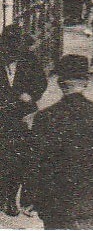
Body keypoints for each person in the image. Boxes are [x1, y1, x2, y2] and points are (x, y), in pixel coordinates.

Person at [24, 54, 93, 230]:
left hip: (54, 202)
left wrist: (29, 198)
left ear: (60, 83)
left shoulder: (45, 117)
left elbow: (34, 162)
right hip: (90, 200)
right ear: (86, 82)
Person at [1, 26, 47, 216]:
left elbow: (41, 83)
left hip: (23, 115)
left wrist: (31, 95)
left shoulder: (30, 60)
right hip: (2, 115)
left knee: (19, 158)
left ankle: (10, 197)